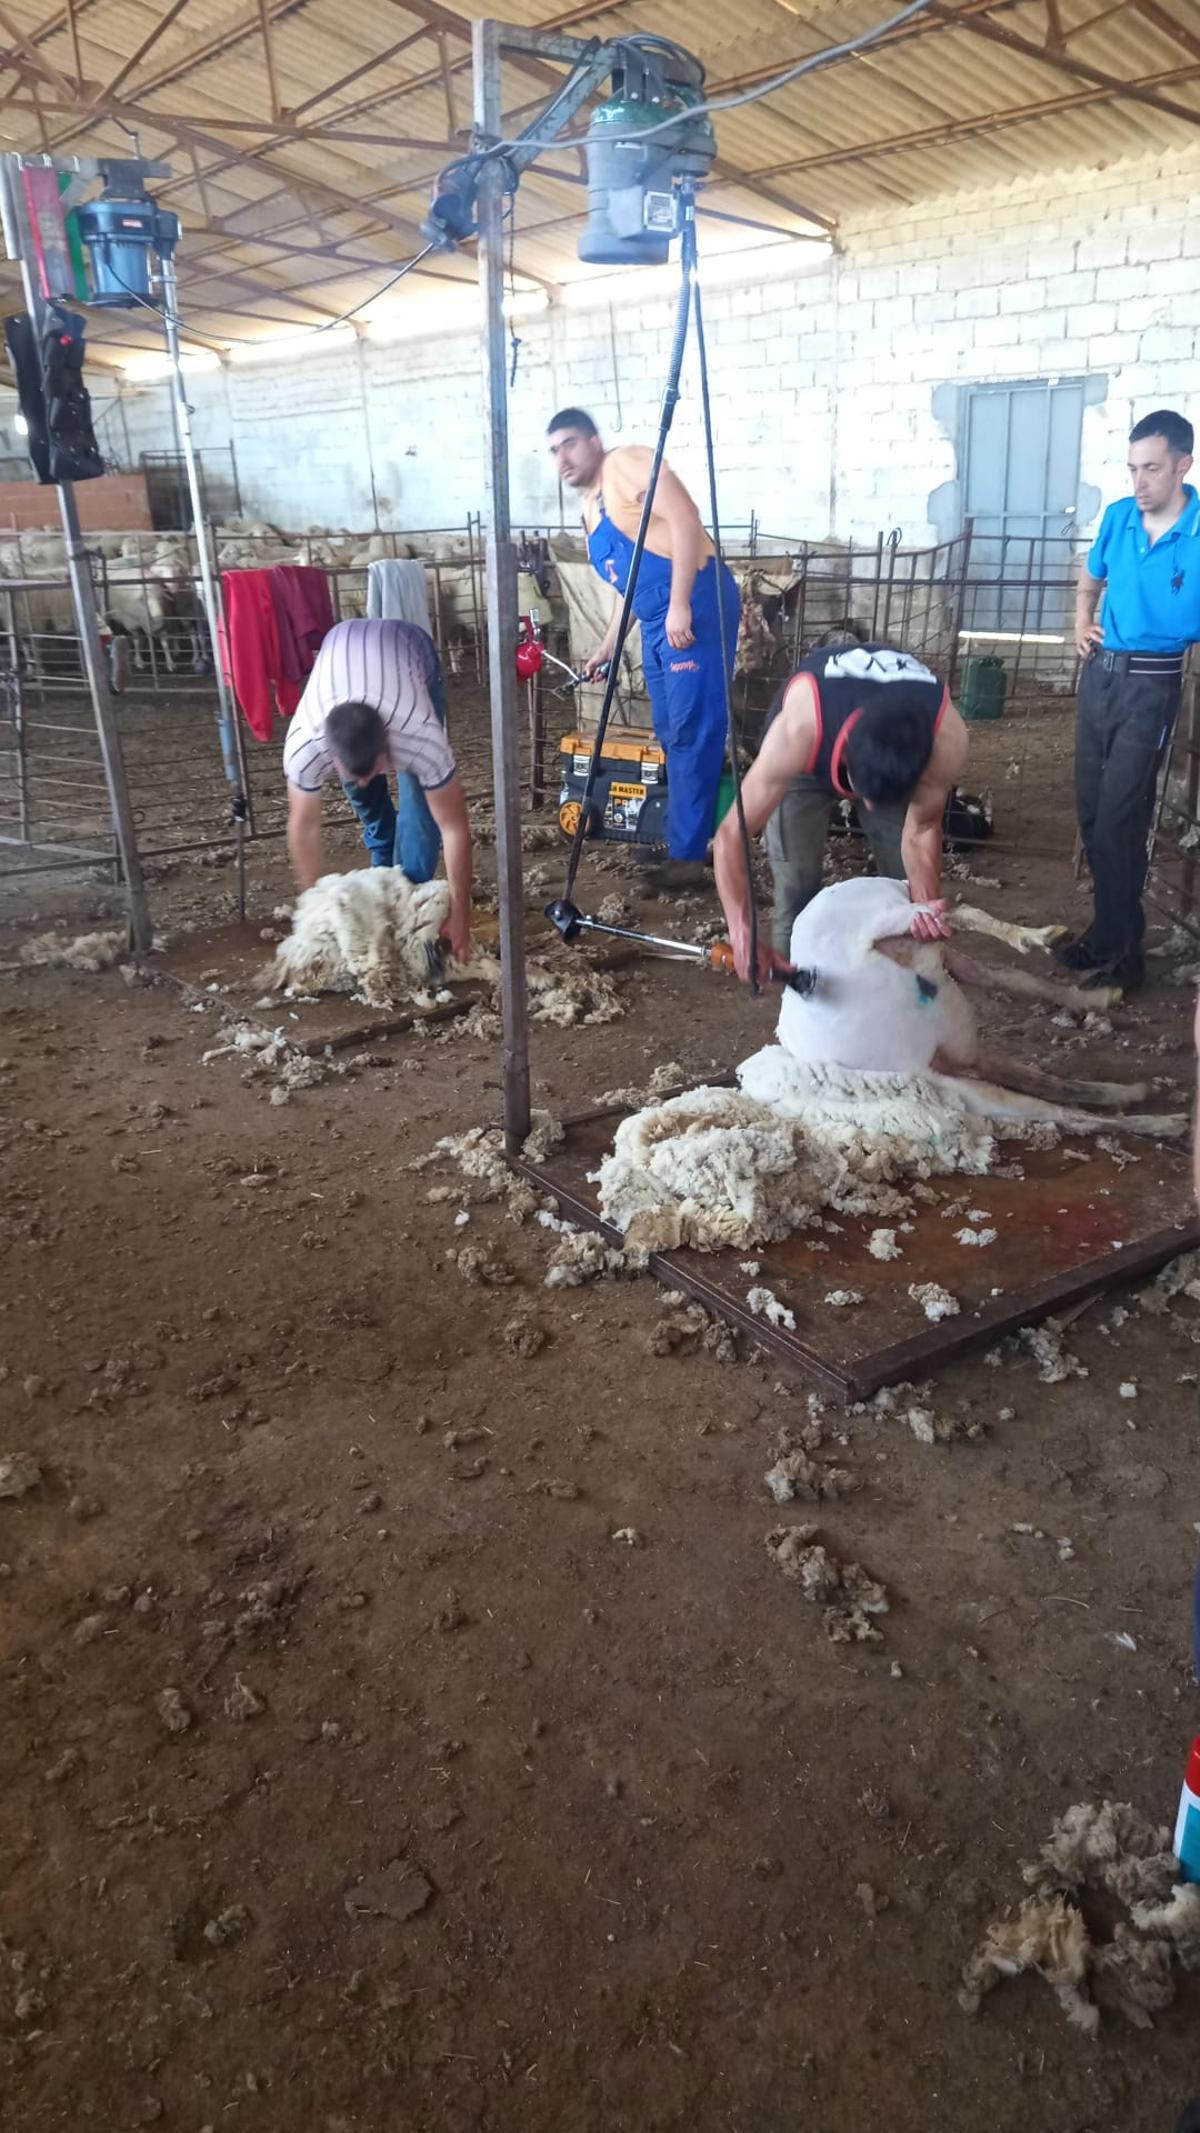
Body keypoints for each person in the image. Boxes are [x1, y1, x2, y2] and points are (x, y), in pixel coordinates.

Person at [547, 407, 741, 883]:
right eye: (554, 450)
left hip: (696, 600)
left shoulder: (625, 464)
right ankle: (682, 841)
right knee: (671, 729)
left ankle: (690, 858)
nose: (562, 458)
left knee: (694, 728)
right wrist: (610, 644)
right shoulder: (591, 507)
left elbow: (685, 517)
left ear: (594, 441)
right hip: (656, 617)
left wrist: (680, 604)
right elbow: (626, 585)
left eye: (570, 443)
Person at [712, 639, 969, 983]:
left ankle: (896, 980)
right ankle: (794, 983)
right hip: (809, 756)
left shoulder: (946, 740)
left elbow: (921, 833)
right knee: (796, 881)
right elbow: (732, 834)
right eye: (868, 796)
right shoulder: (798, 729)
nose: (869, 807)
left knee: (899, 884)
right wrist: (742, 931)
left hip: (895, 755)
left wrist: (923, 913)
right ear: (844, 752)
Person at [1059, 408, 1200, 992]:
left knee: (1121, 816)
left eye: (1152, 469)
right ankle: (1107, 934)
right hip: (1101, 676)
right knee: (1093, 811)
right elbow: (1090, 577)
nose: (1139, 482)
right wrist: (1080, 622)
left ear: (1183, 466)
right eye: (1132, 469)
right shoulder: (1118, 519)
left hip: (1153, 683)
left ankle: (1124, 953)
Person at [283, 616, 472, 961]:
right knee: (364, 795)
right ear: (331, 754)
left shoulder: (419, 735)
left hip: (411, 652)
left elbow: (453, 826)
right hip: (340, 642)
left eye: (376, 769)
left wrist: (462, 915)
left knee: (420, 806)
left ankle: (409, 902)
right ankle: (381, 868)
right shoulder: (304, 746)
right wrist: (318, 911)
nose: (368, 777)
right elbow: (303, 825)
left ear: (387, 744)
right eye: (352, 772)